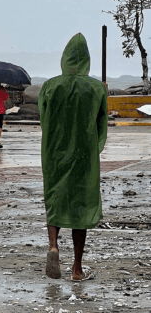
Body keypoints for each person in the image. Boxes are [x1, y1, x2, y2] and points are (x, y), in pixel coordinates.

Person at [39, 33, 107, 281]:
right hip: (84, 156)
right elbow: (101, 127)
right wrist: (92, 148)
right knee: (81, 204)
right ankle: (77, 268)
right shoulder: (97, 88)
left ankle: (53, 245)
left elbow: (44, 120)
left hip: (54, 152)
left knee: (55, 198)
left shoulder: (50, 86)